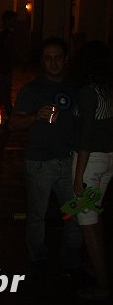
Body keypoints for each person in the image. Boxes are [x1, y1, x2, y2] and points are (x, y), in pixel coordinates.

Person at [9, 37, 83, 285]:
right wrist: (35, 116)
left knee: (74, 214)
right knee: (37, 215)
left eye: (58, 57)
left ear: (66, 59)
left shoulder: (76, 88)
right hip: (39, 163)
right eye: (48, 58)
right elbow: (13, 124)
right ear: (42, 61)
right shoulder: (31, 90)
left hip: (70, 161)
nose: (53, 62)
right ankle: (38, 258)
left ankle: (71, 261)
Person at [72, 40, 113, 301]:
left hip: (90, 163)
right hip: (108, 159)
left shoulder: (89, 92)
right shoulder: (107, 90)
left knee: (87, 222)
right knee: (95, 216)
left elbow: (85, 136)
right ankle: (98, 268)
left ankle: (103, 285)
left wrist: (78, 177)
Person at [0, 9, 17, 119]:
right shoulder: (5, 34)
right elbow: (6, 50)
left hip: (2, 67)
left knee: (2, 93)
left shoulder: (0, 32)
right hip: (2, 67)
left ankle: (0, 115)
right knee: (3, 93)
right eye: (12, 20)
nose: (14, 22)